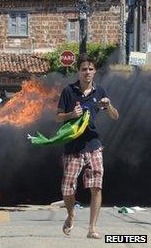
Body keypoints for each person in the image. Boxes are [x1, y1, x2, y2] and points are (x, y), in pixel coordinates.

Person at [55, 55, 119, 239]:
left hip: (94, 145)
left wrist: (108, 105)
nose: (87, 72)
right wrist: (70, 114)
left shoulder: (100, 91)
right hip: (73, 147)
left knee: (96, 187)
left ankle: (92, 229)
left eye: (90, 69)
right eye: (84, 69)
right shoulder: (69, 91)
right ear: (79, 71)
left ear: (95, 71)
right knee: (68, 188)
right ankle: (71, 215)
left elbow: (115, 116)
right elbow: (57, 117)